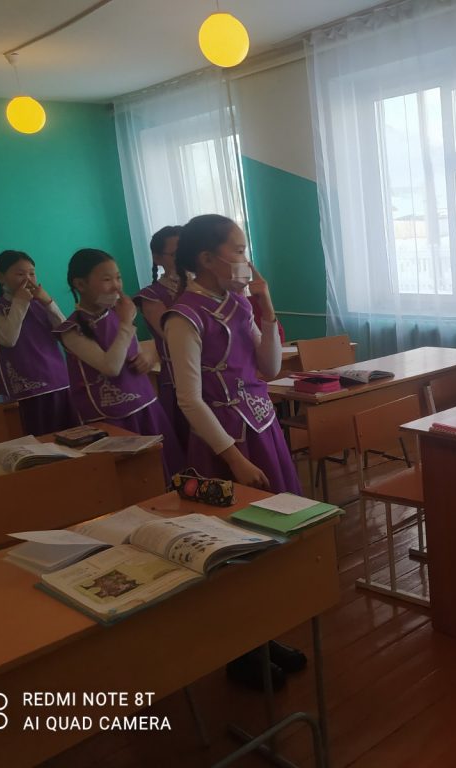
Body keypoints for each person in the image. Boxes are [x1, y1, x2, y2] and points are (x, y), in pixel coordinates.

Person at [163, 214, 304, 690]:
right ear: (207, 259)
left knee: (269, 542)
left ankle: (264, 637)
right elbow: (189, 400)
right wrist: (234, 458)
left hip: (261, 427)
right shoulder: (184, 316)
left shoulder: (239, 303)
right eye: (239, 251)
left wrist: (267, 308)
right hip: (224, 445)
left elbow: (268, 368)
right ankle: (241, 652)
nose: (246, 260)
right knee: (235, 548)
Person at [53, 248, 184, 483]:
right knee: (135, 481)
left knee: (169, 474)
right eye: (107, 279)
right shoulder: (71, 330)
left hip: (146, 407)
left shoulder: (117, 313)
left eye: (118, 277)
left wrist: (147, 358)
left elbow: (143, 348)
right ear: (80, 284)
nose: (116, 286)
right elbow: (111, 367)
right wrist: (126, 322)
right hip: (111, 420)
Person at [0, 250, 80, 435]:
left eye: (32, 273)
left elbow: (66, 335)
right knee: (38, 440)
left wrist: (49, 303)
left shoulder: (41, 304)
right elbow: (8, 339)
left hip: (59, 383)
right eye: (20, 274)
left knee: (72, 436)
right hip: (24, 393)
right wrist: (20, 302)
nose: (28, 279)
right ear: (0, 277)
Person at [134, 225, 189, 443]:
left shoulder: (206, 287)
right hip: (180, 379)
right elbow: (175, 337)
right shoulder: (151, 295)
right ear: (157, 258)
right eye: (175, 254)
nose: (183, 259)